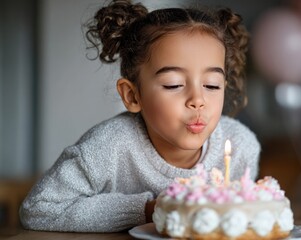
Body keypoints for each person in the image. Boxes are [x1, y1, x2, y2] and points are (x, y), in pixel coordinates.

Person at [19, 0, 260, 232]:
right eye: (174, 84)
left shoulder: (240, 146)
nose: (198, 100)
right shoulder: (107, 147)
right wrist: (148, 210)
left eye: (211, 85)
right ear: (133, 96)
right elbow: (40, 208)